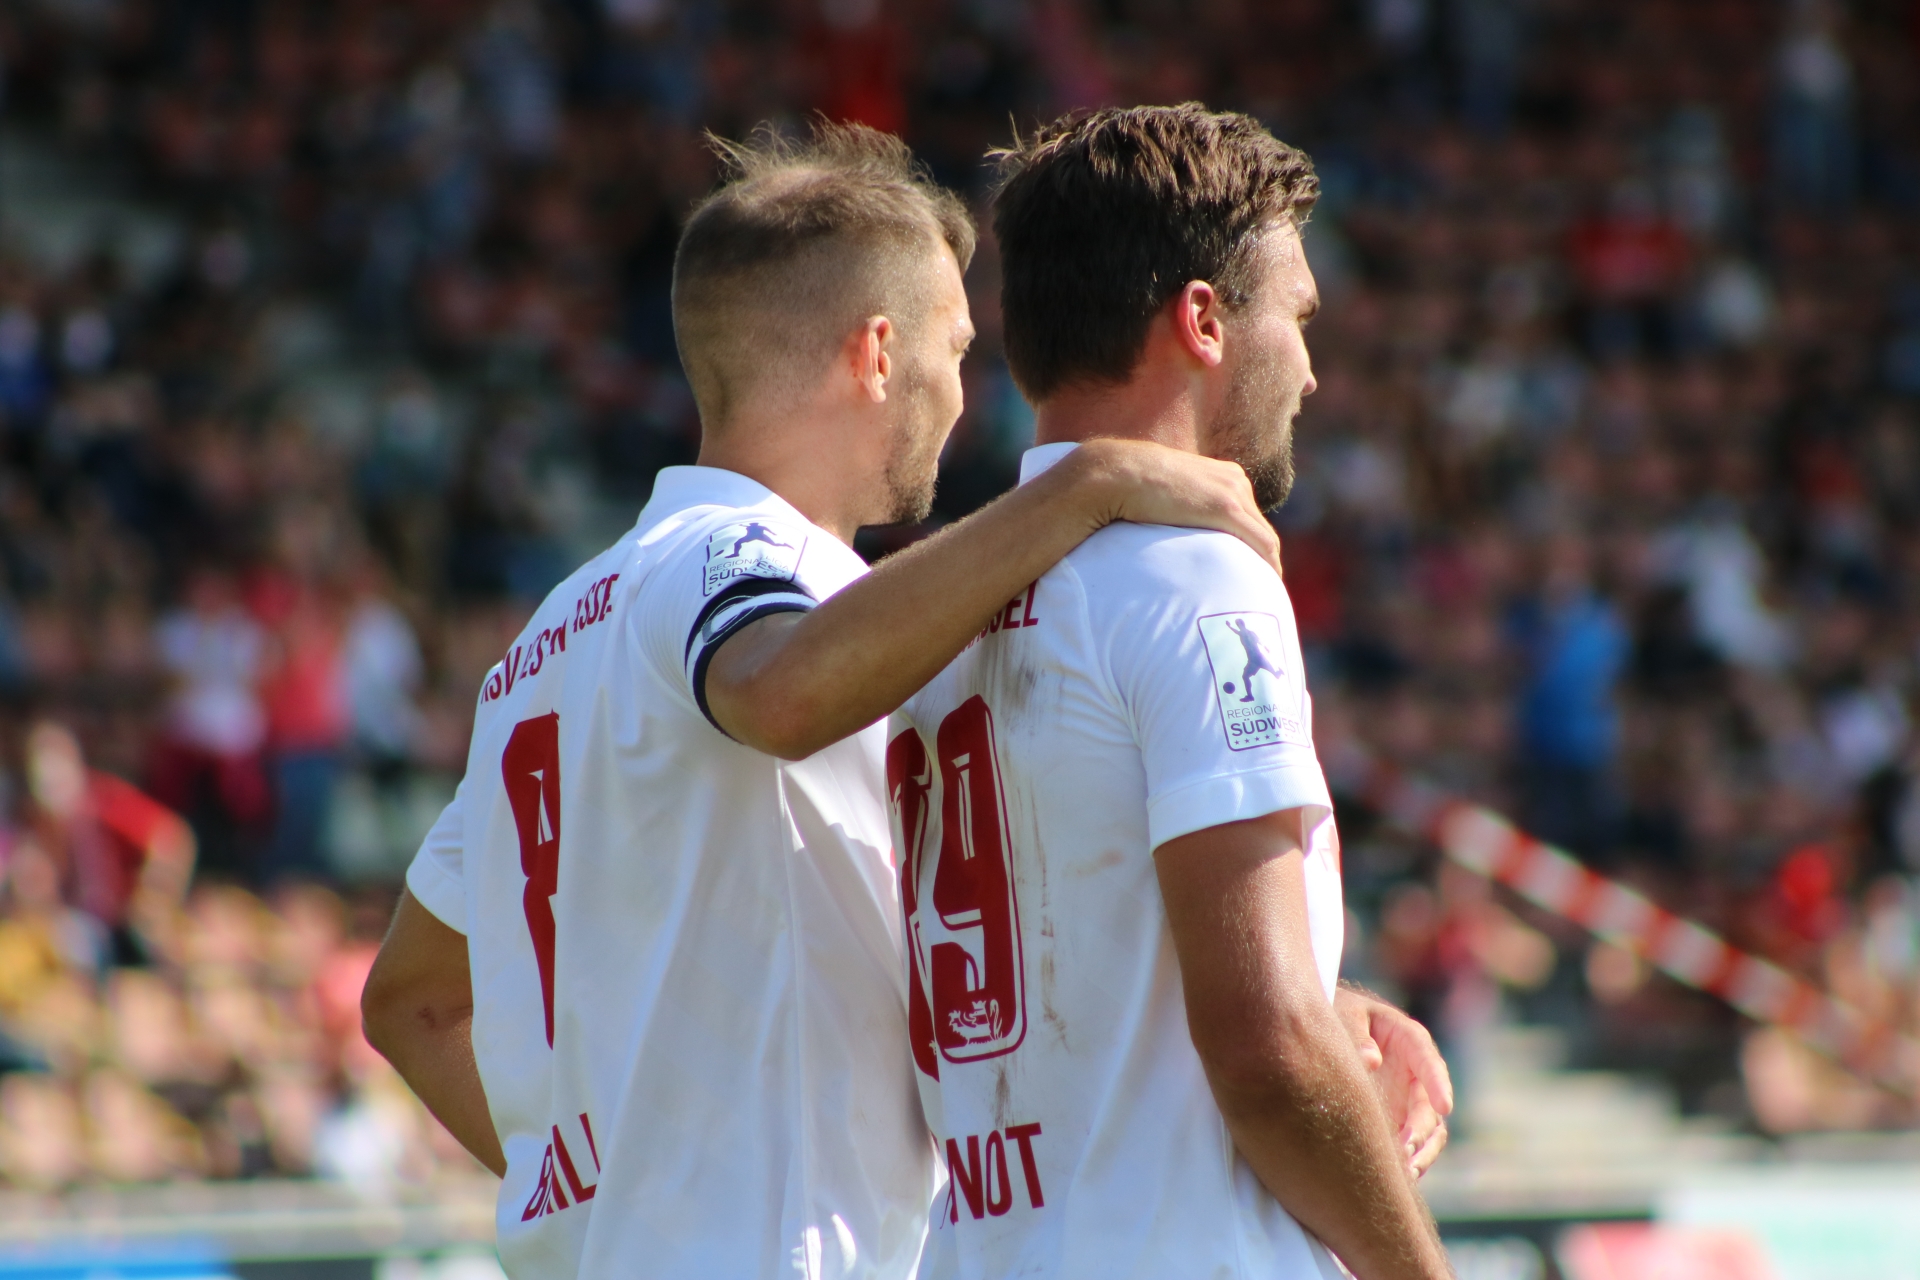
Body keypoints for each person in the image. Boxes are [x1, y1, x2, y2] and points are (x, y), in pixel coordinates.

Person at [359, 122, 1281, 1280]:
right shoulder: (747, 561)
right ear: (879, 352)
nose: (963, 396)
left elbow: (409, 999)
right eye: (955, 348)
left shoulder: (541, 650)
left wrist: (610, 1203)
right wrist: (1086, 484)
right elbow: (777, 688)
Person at [886, 105, 1453, 1280]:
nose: (1311, 368)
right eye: (1298, 316)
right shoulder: (1197, 576)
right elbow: (1266, 1049)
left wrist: (1327, 992)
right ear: (1203, 320)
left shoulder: (914, 620)